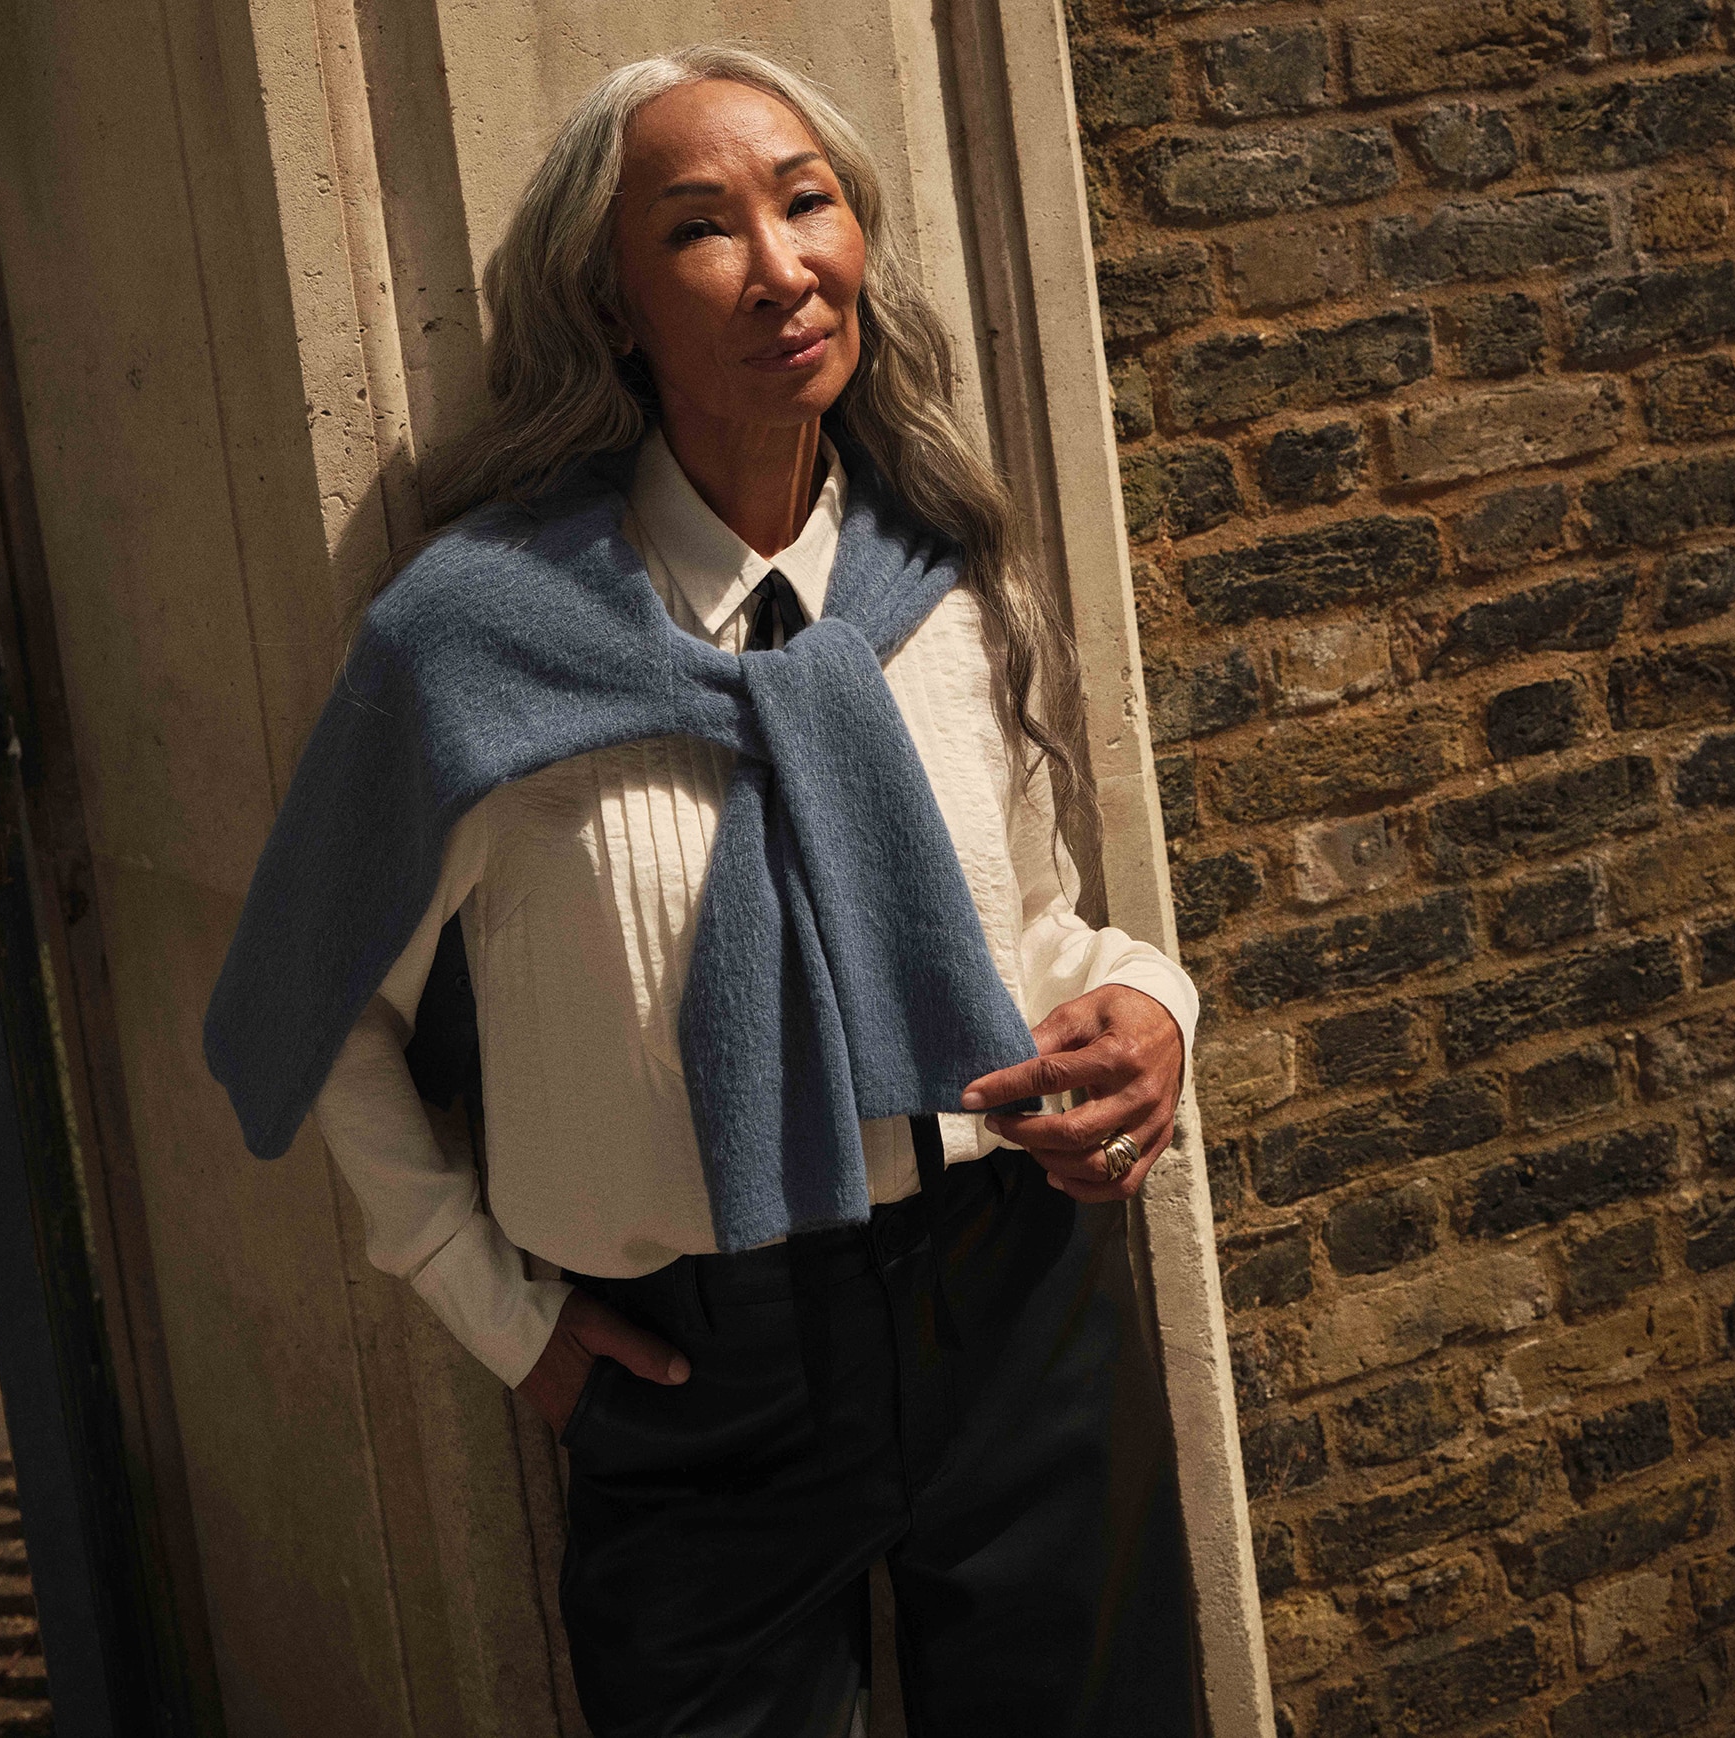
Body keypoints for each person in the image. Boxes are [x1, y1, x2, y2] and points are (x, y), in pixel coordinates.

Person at [206, 44, 1199, 1738]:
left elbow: (1030, 925)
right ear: (610, 307)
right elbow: (316, 1015)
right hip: (693, 1376)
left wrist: (1156, 1009)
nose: (783, 263)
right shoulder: (471, 642)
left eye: (807, 202)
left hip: (1014, 1304)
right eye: (701, 229)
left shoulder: (940, 582)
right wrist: (496, 1311)